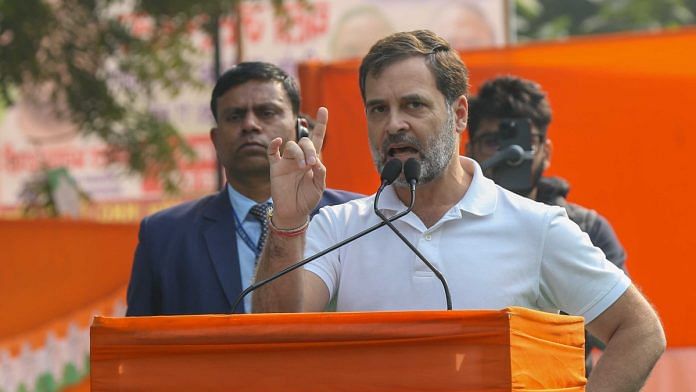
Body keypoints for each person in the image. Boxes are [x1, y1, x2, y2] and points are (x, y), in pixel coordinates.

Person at [252, 30, 665, 390]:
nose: (394, 124)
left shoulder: (534, 226)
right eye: (379, 109)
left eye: (413, 105)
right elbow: (273, 331)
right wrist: (288, 220)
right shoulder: (339, 227)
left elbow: (640, 331)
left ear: (459, 115)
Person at [125, 61, 362, 316]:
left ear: (300, 128)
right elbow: (137, 348)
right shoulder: (164, 235)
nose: (250, 124)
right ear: (215, 140)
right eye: (235, 116)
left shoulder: (355, 220)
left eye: (267, 112)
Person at [466, 75, 627, 374]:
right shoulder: (447, 223)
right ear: (469, 150)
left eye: (523, 140)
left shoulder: (587, 230)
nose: (511, 154)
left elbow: (624, 333)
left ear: (547, 151)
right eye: (493, 141)